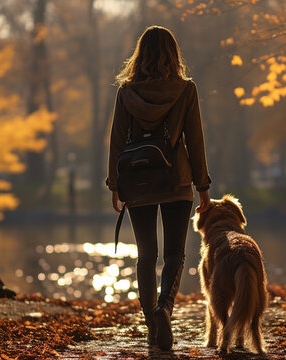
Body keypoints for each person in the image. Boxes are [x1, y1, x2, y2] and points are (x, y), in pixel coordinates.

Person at [106, 25, 211, 351]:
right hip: (177, 180)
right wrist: (203, 186)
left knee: (146, 255)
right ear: (172, 54)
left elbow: (117, 140)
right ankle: (164, 309)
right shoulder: (185, 90)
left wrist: (115, 184)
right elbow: (195, 140)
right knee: (175, 255)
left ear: (140, 55)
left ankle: (152, 323)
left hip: (138, 184)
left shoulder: (126, 92)